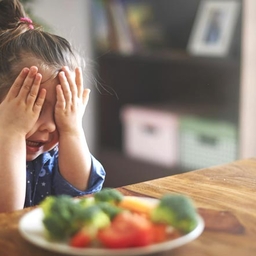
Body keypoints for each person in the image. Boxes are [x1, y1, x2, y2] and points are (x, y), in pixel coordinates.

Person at [0, 0, 105, 212]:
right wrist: (12, 132)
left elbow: (83, 196)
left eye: (61, 111)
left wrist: (71, 129)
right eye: (35, 107)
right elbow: (7, 216)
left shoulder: (57, 156)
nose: (49, 126)